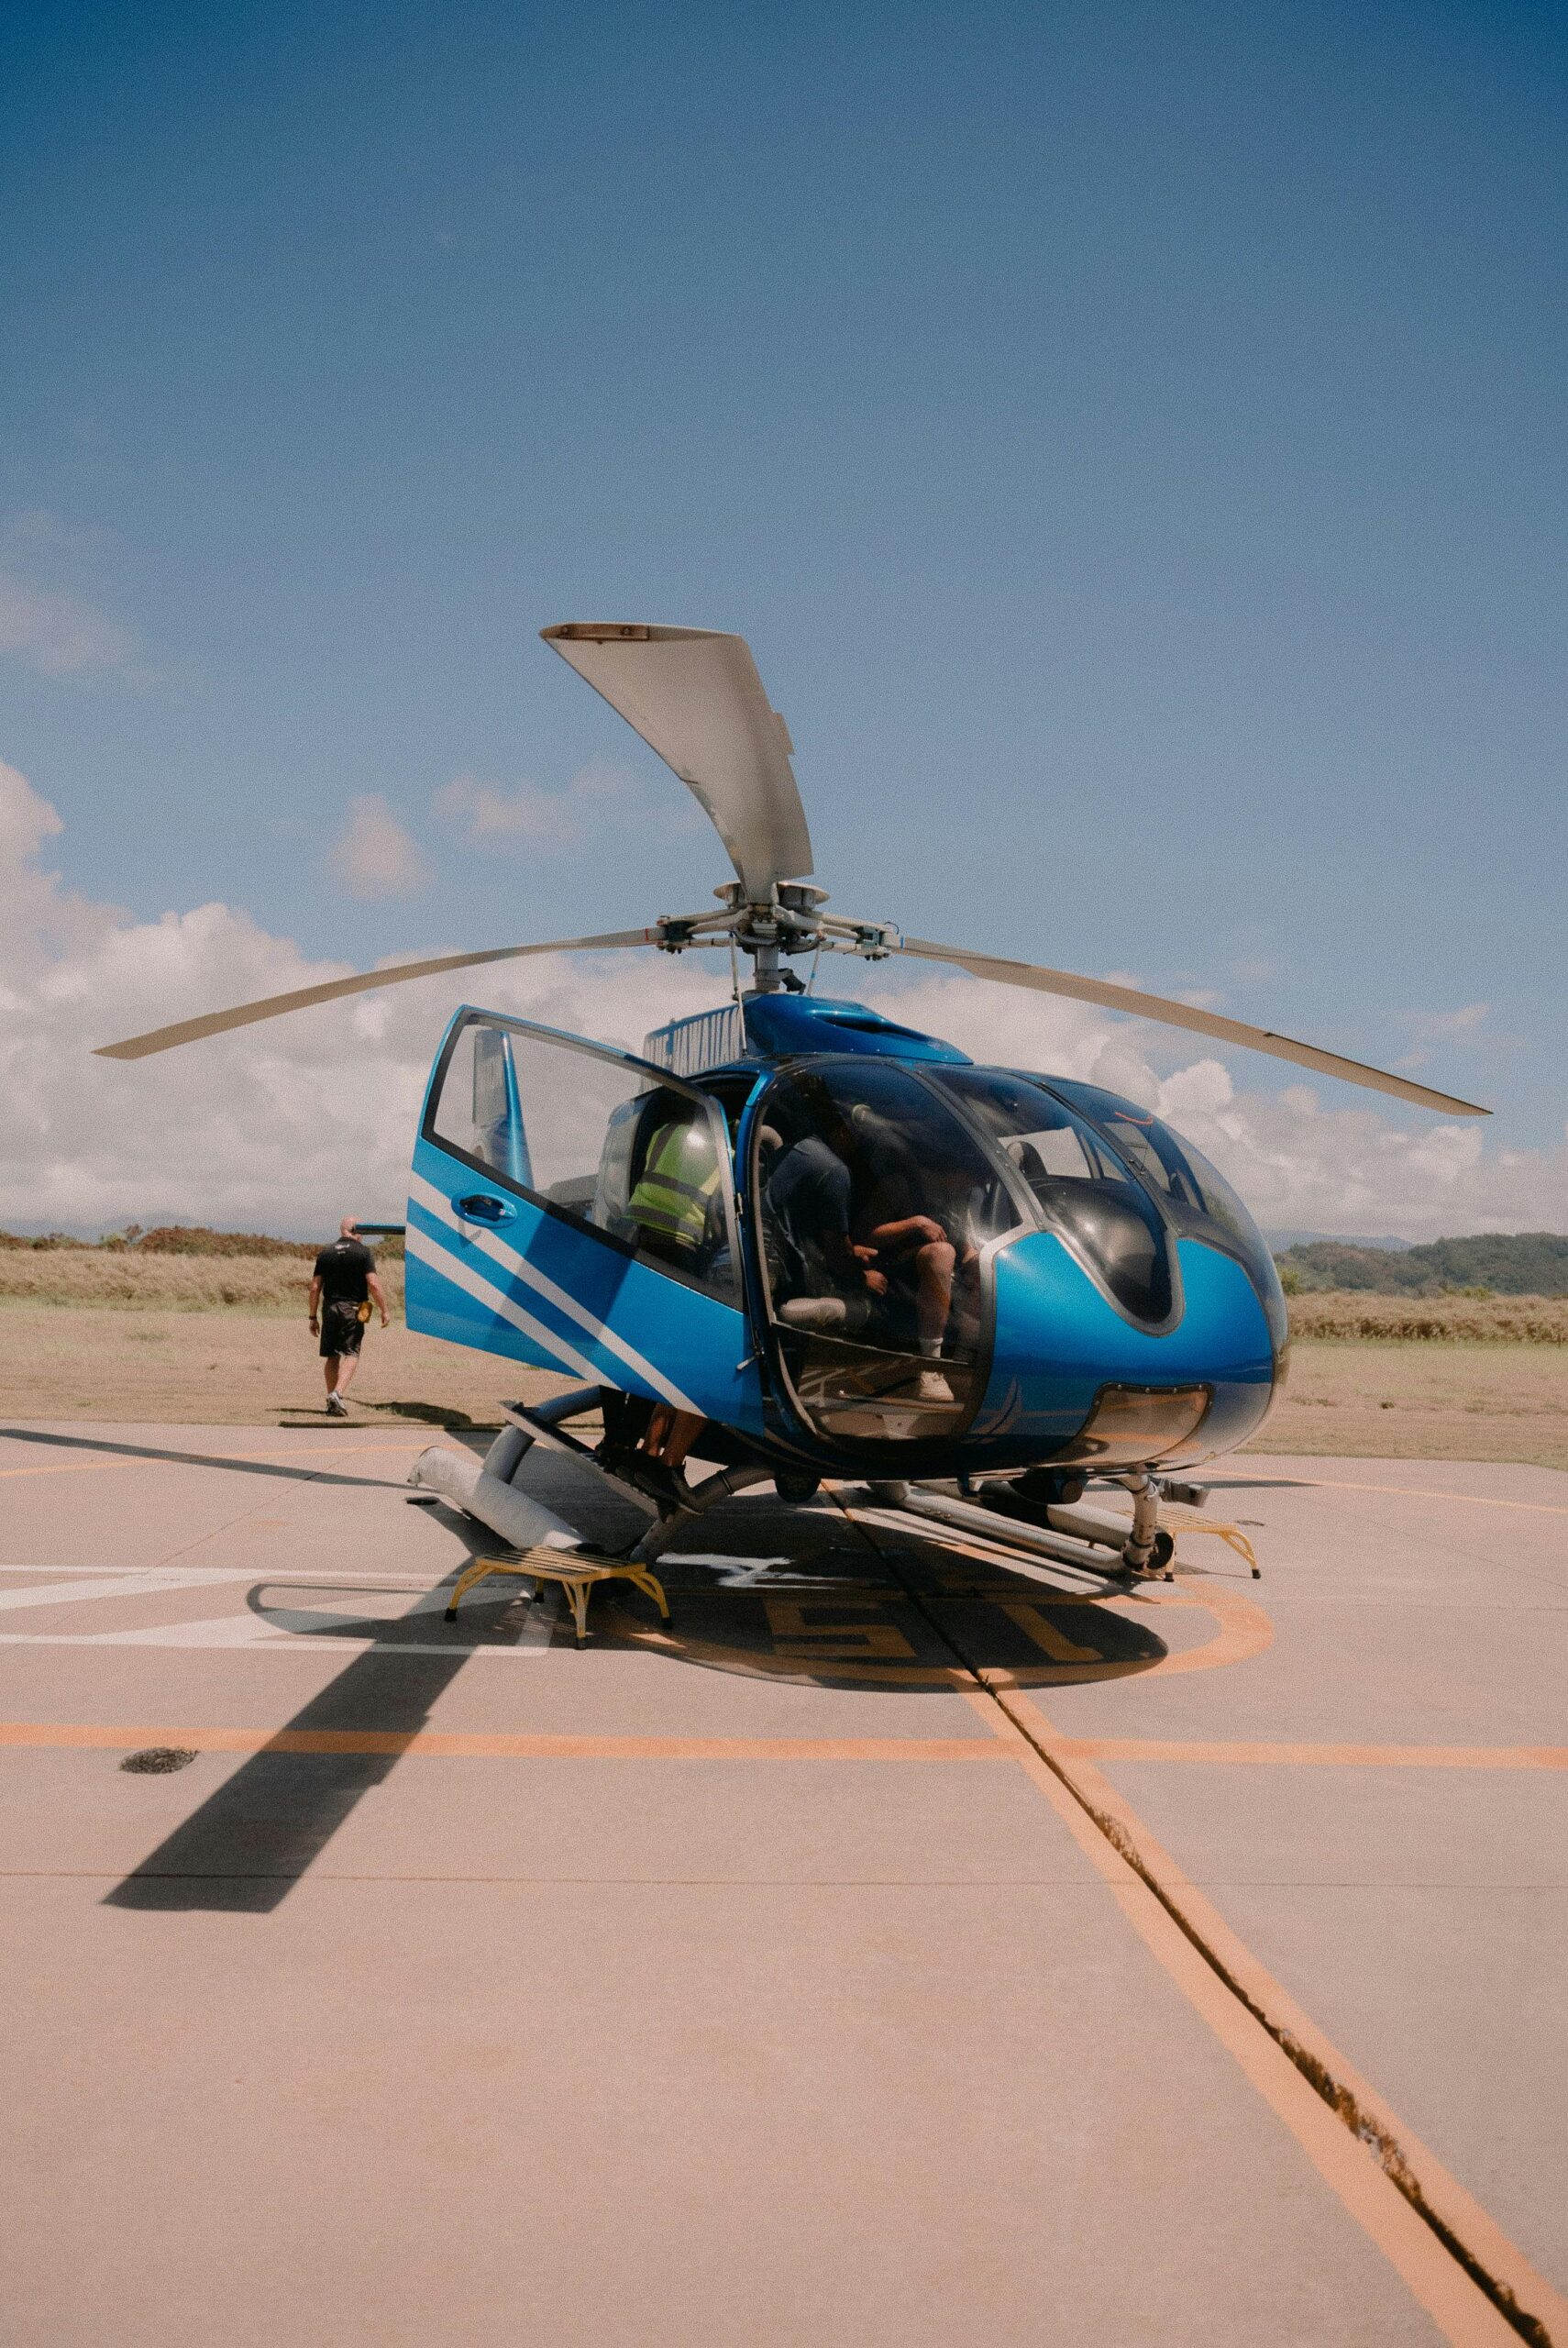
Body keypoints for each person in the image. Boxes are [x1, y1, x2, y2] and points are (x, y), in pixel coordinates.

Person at [308, 1217, 389, 1416]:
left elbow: (315, 1287)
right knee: (352, 1352)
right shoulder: (364, 1252)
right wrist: (384, 1309)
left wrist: (312, 1316)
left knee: (332, 1354)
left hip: (330, 1307)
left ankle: (331, 1402)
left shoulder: (325, 1252)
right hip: (360, 1306)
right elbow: (373, 1284)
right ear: (356, 1231)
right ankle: (337, 1393)